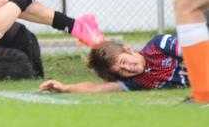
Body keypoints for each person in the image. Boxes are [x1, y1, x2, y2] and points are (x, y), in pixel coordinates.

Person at [39, 34, 188, 93]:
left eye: (124, 61)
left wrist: (200, 66)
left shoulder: (158, 45)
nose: (128, 68)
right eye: (122, 71)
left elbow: (198, 48)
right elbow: (96, 88)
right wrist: (65, 88)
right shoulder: (133, 81)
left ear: (128, 50)